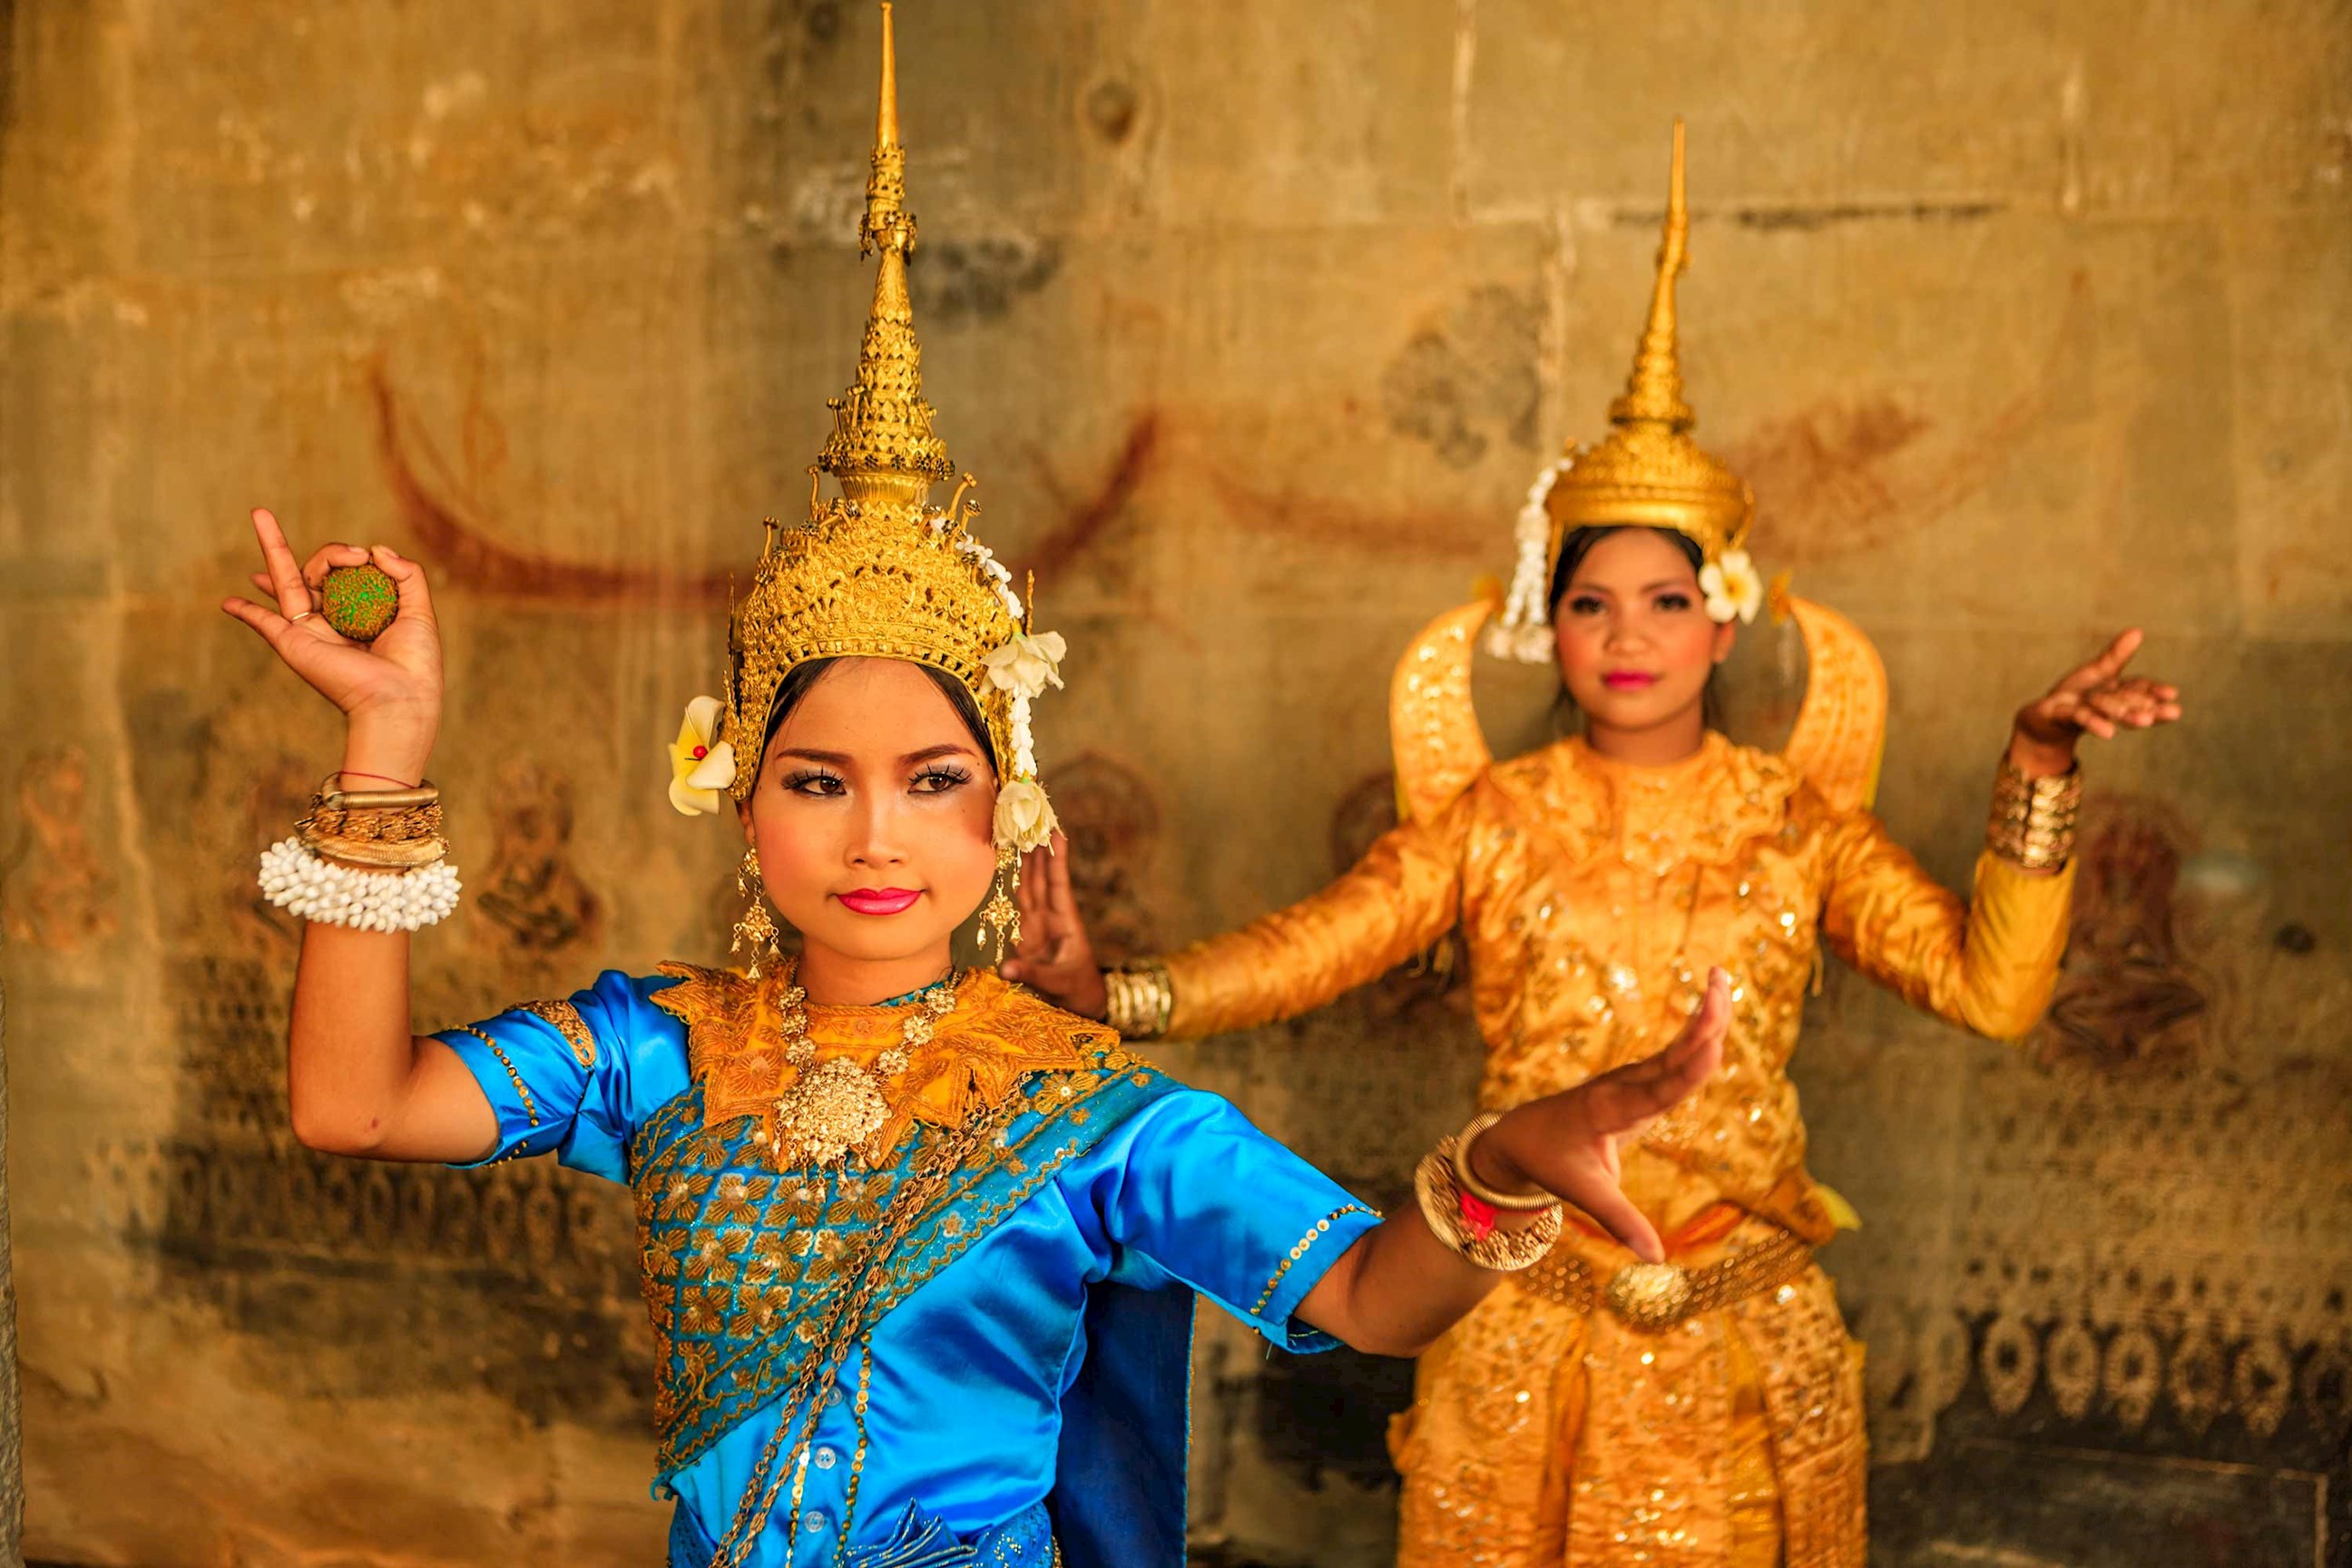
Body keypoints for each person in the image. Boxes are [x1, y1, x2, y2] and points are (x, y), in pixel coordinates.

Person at [215, 14, 1729, 1568]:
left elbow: (1363, 1301)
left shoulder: (1085, 1116)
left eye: (932, 780)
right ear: (742, 804)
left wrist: (1497, 1168)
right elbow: (352, 1105)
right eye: (818, 781)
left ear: (1001, 808)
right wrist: (388, 743)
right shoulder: (659, 1052)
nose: (875, 835)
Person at [1000, 122, 2181, 1568]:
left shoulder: (1798, 821)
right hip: (1520, 1331)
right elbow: (1316, 948)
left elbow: (1994, 994)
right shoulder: (1496, 820)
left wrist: (2040, 763)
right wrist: (1113, 995)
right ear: (1542, 622)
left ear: (1725, 620)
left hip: (1751, 1342)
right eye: (1592, 604)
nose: (1629, 636)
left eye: (1666, 602)